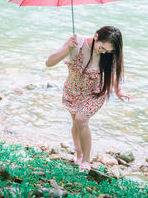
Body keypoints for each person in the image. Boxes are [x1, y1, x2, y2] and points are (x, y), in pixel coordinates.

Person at [46, 26, 132, 172]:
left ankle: (86, 160)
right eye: (102, 48)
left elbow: (110, 72)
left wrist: (117, 90)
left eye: (108, 51)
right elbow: (49, 62)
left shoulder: (107, 54)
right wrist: (67, 48)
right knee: (76, 123)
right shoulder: (76, 42)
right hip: (73, 91)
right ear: (96, 36)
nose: (104, 52)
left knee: (81, 119)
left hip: (94, 93)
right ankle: (78, 152)